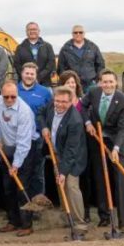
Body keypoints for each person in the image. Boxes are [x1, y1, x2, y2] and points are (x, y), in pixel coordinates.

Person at [82, 70, 124, 228]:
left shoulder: (123, 101)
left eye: (111, 82)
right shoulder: (93, 92)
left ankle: (122, 220)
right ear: (100, 83)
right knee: (100, 178)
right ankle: (104, 216)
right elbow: (82, 107)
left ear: (116, 83)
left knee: (119, 180)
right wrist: (88, 123)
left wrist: (116, 148)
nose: (108, 85)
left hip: (115, 141)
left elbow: (123, 129)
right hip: (98, 140)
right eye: (105, 82)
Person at [0, 81, 38, 237]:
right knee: (8, 187)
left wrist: (16, 164)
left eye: (13, 96)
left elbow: (23, 142)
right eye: (7, 97)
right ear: (1, 95)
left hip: (25, 150)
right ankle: (13, 221)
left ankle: (27, 224)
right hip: (7, 148)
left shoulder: (24, 111)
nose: (10, 99)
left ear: (17, 95)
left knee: (22, 187)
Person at [40, 86, 88, 233]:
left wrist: (63, 172)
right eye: (57, 101)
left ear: (71, 101)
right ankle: (66, 216)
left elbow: (71, 150)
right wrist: (44, 127)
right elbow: (41, 114)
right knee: (60, 185)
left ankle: (80, 223)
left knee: (71, 186)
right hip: (57, 153)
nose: (60, 104)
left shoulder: (75, 121)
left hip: (73, 158)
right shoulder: (51, 105)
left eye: (64, 102)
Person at [17, 63, 52, 198]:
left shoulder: (44, 92)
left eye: (32, 74)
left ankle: (38, 204)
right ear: (22, 73)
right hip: (19, 138)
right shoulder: (14, 90)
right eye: (27, 73)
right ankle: (23, 203)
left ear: (36, 75)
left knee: (37, 173)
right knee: (22, 171)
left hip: (38, 138)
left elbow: (50, 113)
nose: (29, 76)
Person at [57, 25, 105, 90]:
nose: (78, 34)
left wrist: (97, 80)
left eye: (80, 32)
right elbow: (61, 67)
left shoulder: (92, 47)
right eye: (75, 32)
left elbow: (100, 64)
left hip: (90, 84)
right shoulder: (65, 49)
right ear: (72, 34)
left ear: (84, 33)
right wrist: (66, 81)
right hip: (72, 85)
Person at [12, 21, 56, 86]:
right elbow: (17, 65)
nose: (32, 31)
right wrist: (27, 77)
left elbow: (51, 63)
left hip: (45, 83)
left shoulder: (47, 46)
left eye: (34, 29)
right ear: (26, 32)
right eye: (30, 30)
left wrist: (39, 77)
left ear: (39, 31)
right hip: (25, 84)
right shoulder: (20, 48)